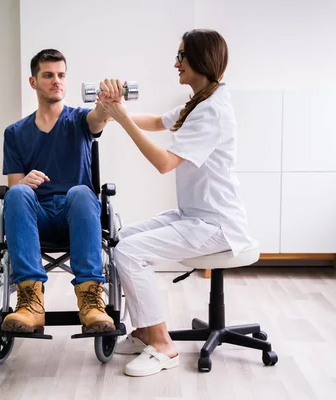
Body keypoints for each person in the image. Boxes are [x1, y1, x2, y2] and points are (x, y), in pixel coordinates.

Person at [97, 29, 253, 377]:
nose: (176, 63)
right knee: (119, 240)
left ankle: (163, 345)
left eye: (182, 56)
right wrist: (108, 115)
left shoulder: (212, 111)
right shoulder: (199, 101)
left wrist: (120, 116)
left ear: (201, 59)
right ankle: (143, 331)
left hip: (216, 226)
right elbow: (155, 122)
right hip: (194, 215)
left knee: (130, 252)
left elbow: (164, 163)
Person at [0, 49, 116, 335]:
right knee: (14, 194)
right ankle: (30, 302)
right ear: (33, 82)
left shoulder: (81, 120)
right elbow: (15, 186)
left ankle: (91, 302)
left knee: (81, 192)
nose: (56, 81)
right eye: (48, 75)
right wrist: (24, 181)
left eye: (61, 75)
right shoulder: (15, 133)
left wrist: (107, 103)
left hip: (76, 214)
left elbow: (100, 117)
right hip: (36, 218)